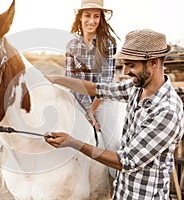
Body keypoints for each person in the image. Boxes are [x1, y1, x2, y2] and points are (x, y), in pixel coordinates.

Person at [45, 29, 184, 199]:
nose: (125, 71)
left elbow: (125, 161)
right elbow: (98, 89)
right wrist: (56, 79)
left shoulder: (166, 111)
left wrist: (72, 142)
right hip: (122, 193)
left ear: (153, 63)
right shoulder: (136, 88)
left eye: (131, 65)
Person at [66, 0, 123, 178]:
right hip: (77, 99)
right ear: (80, 17)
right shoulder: (71, 45)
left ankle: (117, 185)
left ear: (101, 19)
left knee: (114, 144)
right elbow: (70, 79)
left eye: (96, 16)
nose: (91, 20)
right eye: (87, 15)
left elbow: (105, 83)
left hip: (103, 101)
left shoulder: (108, 43)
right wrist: (84, 108)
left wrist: (92, 111)